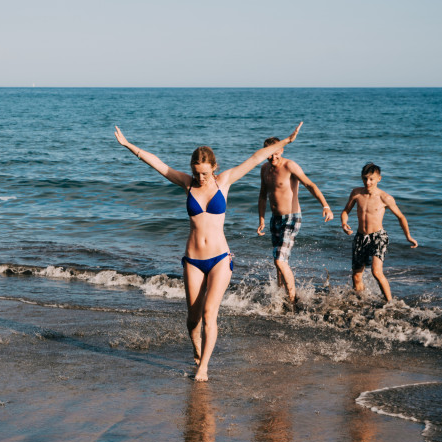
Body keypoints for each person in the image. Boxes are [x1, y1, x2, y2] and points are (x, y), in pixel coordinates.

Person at [114, 122, 303, 381]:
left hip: (219, 260)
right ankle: (197, 349)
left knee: (209, 313)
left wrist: (287, 142)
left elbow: (255, 158)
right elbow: (157, 164)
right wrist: (128, 145)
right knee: (193, 320)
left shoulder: (224, 181)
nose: (200, 178)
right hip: (192, 260)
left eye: (204, 173)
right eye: (196, 172)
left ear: (214, 167)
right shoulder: (187, 183)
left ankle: (203, 367)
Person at [257, 137, 334, 302]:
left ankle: (292, 300)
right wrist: (261, 219)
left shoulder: (289, 166)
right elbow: (263, 195)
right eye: (269, 154)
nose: (273, 158)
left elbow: (310, 185)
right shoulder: (264, 168)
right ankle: (281, 296)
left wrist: (325, 206)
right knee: (279, 262)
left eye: (276, 153)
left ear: (282, 150)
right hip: (275, 219)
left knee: (279, 260)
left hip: (291, 218)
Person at [340, 162, 418, 302]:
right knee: (356, 276)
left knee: (376, 272)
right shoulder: (356, 193)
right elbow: (346, 211)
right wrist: (344, 223)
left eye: (371, 179)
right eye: (365, 178)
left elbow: (401, 217)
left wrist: (408, 236)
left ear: (379, 179)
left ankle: (390, 303)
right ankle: (361, 300)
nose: (368, 182)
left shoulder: (385, 198)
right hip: (360, 237)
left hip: (378, 237)